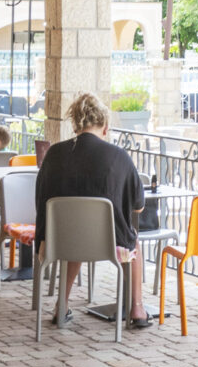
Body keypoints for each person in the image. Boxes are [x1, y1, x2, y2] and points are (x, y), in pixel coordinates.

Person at [35, 93, 152, 328]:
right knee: (134, 240)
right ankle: (137, 308)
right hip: (109, 246)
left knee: (77, 237)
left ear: (75, 124)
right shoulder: (119, 157)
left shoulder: (54, 155)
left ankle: (62, 305)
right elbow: (138, 207)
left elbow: (40, 200)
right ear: (105, 128)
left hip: (59, 243)